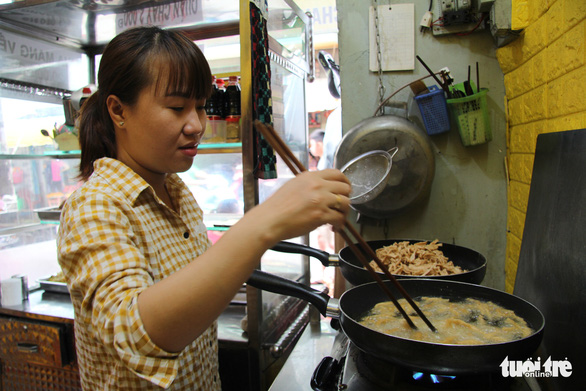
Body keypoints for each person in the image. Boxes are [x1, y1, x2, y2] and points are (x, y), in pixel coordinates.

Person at [57, 26, 351, 390]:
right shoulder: (95, 206)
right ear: (118, 111)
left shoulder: (177, 192)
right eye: (177, 108)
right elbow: (136, 334)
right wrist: (262, 224)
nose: (196, 125)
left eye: (200, 106)